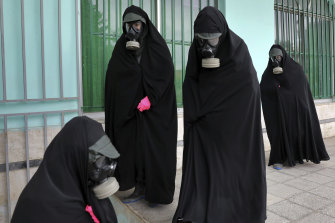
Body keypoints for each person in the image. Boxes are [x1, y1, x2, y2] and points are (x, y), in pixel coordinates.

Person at [173, 6, 266, 223]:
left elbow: (249, 91)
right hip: (205, 129)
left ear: (222, 36)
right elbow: (190, 85)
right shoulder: (194, 52)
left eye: (212, 39)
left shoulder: (238, 50)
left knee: (232, 174)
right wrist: (200, 112)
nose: (206, 46)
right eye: (201, 39)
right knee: (206, 174)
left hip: (234, 131)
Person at [104, 5, 177, 204]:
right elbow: (114, 79)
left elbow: (165, 75)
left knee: (155, 153)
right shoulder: (121, 48)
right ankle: (139, 187)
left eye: (136, 25)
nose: (132, 30)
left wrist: (150, 99)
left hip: (155, 112)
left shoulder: (156, 45)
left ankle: (156, 193)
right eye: (128, 26)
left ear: (144, 25)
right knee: (135, 152)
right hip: (133, 113)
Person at [11, 116, 120, 223]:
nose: (106, 167)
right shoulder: (39, 206)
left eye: (105, 158)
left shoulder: (79, 186)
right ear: (75, 158)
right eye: (97, 160)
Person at [260, 44, 330, 169]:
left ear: (283, 56)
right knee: (278, 133)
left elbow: (301, 91)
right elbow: (264, 90)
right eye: (272, 58)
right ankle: (278, 159)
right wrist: (275, 88)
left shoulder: (296, 69)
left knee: (298, 132)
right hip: (278, 112)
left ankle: (298, 155)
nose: (275, 60)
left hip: (295, 110)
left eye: (278, 57)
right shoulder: (268, 74)